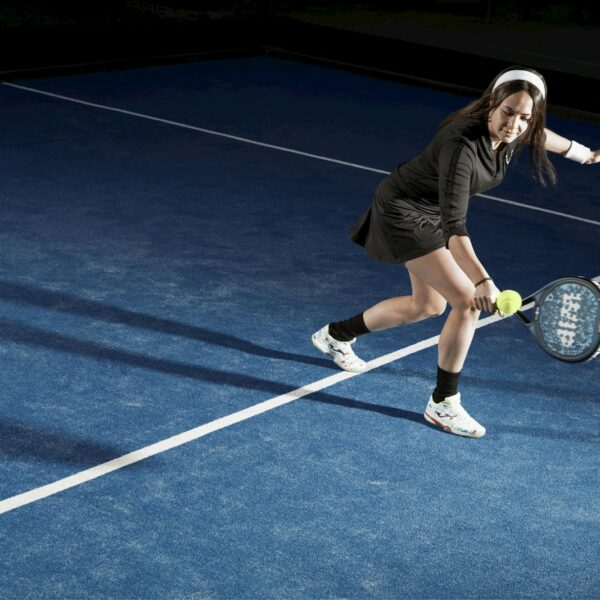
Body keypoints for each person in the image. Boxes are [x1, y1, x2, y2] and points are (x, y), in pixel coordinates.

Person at [311, 66, 600, 438]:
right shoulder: (462, 144)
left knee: (427, 306)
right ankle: (443, 403)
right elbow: (454, 227)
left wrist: (584, 155)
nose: (515, 124)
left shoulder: (517, 131)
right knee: (466, 301)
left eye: (525, 117)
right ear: (492, 104)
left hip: (429, 214)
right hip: (404, 211)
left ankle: (335, 335)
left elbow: (539, 135)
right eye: (508, 112)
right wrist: (482, 281)